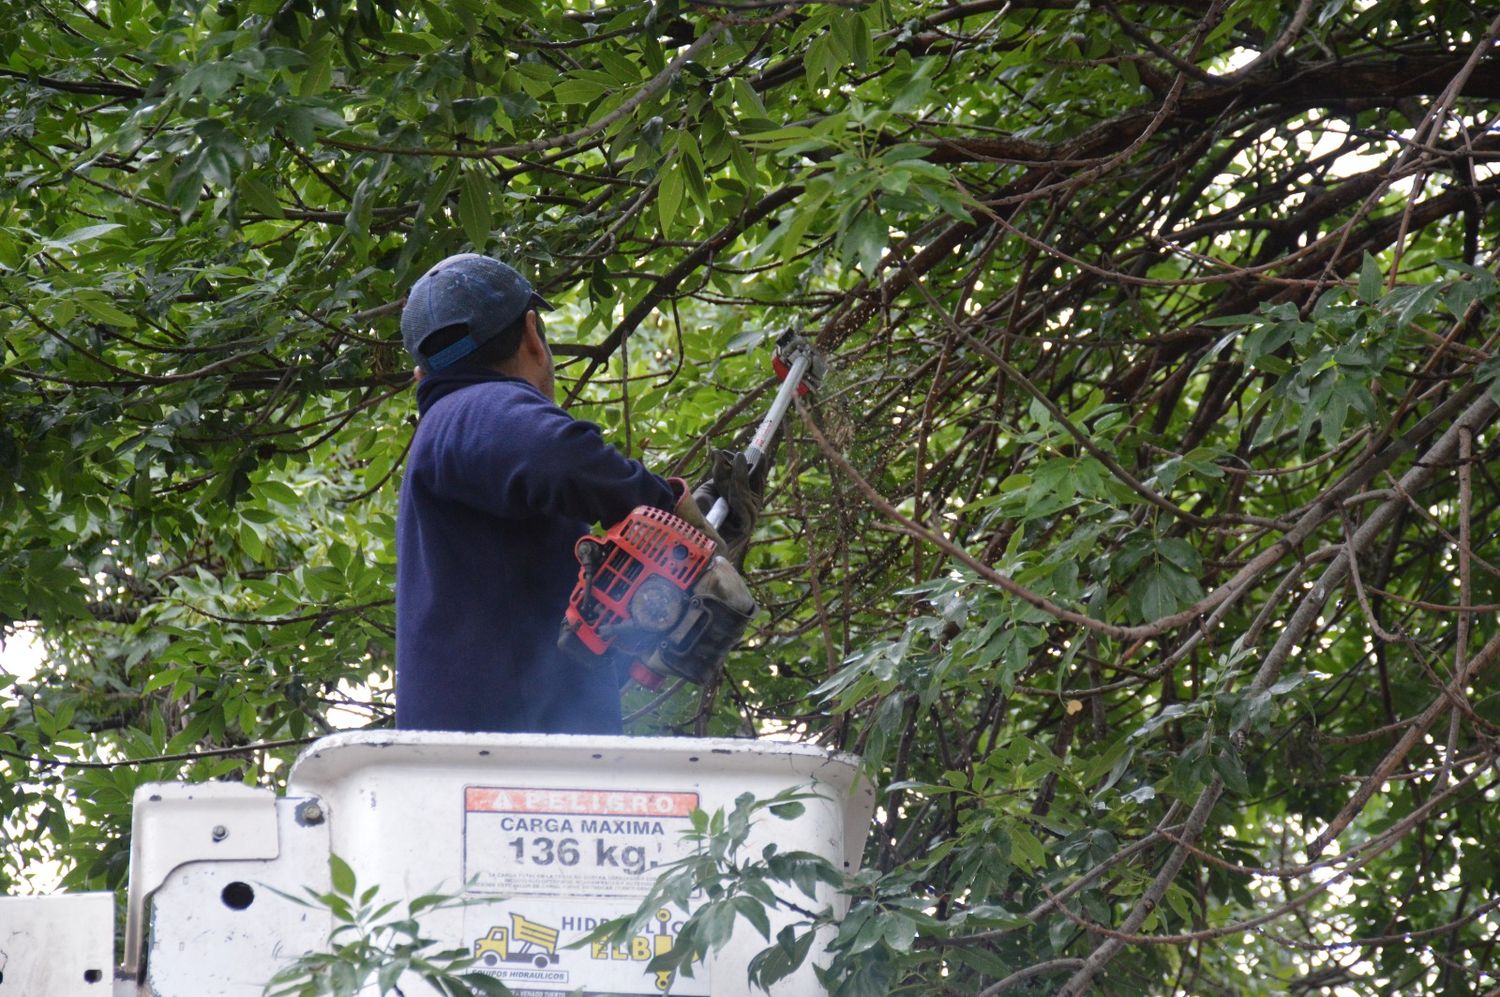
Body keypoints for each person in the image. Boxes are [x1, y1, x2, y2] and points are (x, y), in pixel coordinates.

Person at [393, 253, 754, 734]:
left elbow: (549, 637)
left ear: (421, 376)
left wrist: (669, 571)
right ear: (532, 336)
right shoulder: (474, 407)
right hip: (506, 766)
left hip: (492, 751)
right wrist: (671, 510)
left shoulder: (448, 436)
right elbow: (556, 455)